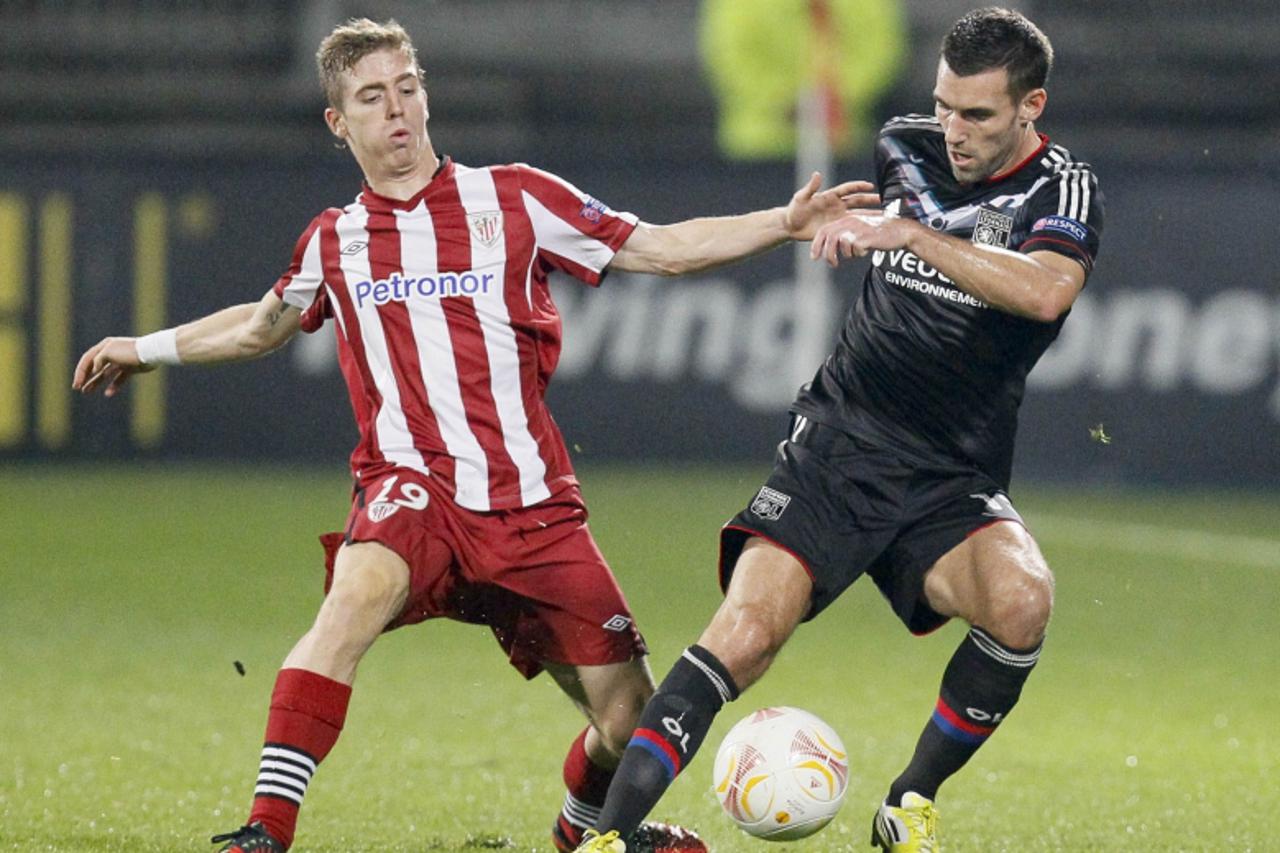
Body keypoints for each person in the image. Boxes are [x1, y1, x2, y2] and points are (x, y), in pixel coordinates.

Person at [71, 17, 873, 853]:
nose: (398, 112)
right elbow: (259, 326)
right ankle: (266, 829)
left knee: (626, 714)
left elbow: (658, 248)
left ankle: (583, 829)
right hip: (411, 487)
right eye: (372, 98)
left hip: (530, 504)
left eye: (407, 89)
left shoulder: (515, 198)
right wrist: (144, 347)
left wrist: (780, 222)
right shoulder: (335, 240)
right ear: (339, 123)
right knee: (350, 603)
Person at [573, 7, 1104, 852]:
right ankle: (609, 836)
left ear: (1031, 106)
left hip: (949, 477)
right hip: (838, 447)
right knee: (743, 635)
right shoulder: (904, 144)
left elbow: (1045, 291)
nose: (953, 131)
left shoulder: (1061, 189)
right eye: (944, 107)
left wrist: (911, 234)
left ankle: (908, 801)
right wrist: (815, 218)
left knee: (1022, 599)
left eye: (978, 115)